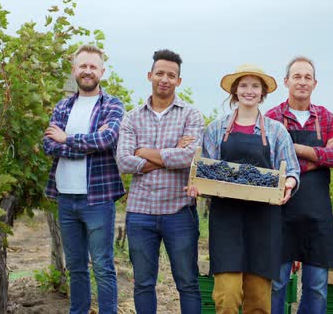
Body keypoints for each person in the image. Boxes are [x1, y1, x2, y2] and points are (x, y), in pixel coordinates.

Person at [187, 64, 300, 314]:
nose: (249, 91)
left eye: (255, 86)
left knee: (259, 299)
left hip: (264, 220)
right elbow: (206, 169)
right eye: (244, 85)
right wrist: (197, 186)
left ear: (262, 93)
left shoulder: (276, 130)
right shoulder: (216, 128)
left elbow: (291, 170)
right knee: (226, 295)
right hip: (226, 218)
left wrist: (289, 184)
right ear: (235, 91)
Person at [116, 49, 204, 314]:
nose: (164, 79)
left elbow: (191, 157)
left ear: (179, 80)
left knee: (187, 283)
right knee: (143, 283)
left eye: (171, 75)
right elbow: (123, 162)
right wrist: (170, 153)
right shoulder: (132, 117)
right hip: (140, 213)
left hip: (179, 212)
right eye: (160, 73)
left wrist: (143, 152)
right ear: (150, 75)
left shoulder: (191, 115)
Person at [43, 44, 125, 314]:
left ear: (101, 71)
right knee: (75, 266)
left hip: (98, 199)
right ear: (74, 70)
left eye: (93, 66)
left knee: (102, 265)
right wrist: (86, 145)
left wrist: (66, 138)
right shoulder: (63, 105)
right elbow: (48, 146)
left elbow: (106, 139)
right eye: (83, 66)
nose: (87, 71)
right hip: (66, 196)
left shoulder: (112, 104)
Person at [265, 57, 333, 314]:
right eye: (297, 76)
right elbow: (268, 161)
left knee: (317, 286)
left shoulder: (326, 117)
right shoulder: (272, 117)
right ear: (286, 81)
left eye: (307, 77)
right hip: (280, 212)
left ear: (315, 83)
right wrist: (319, 155)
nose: (302, 81)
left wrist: (294, 149)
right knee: (277, 283)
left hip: (318, 214)